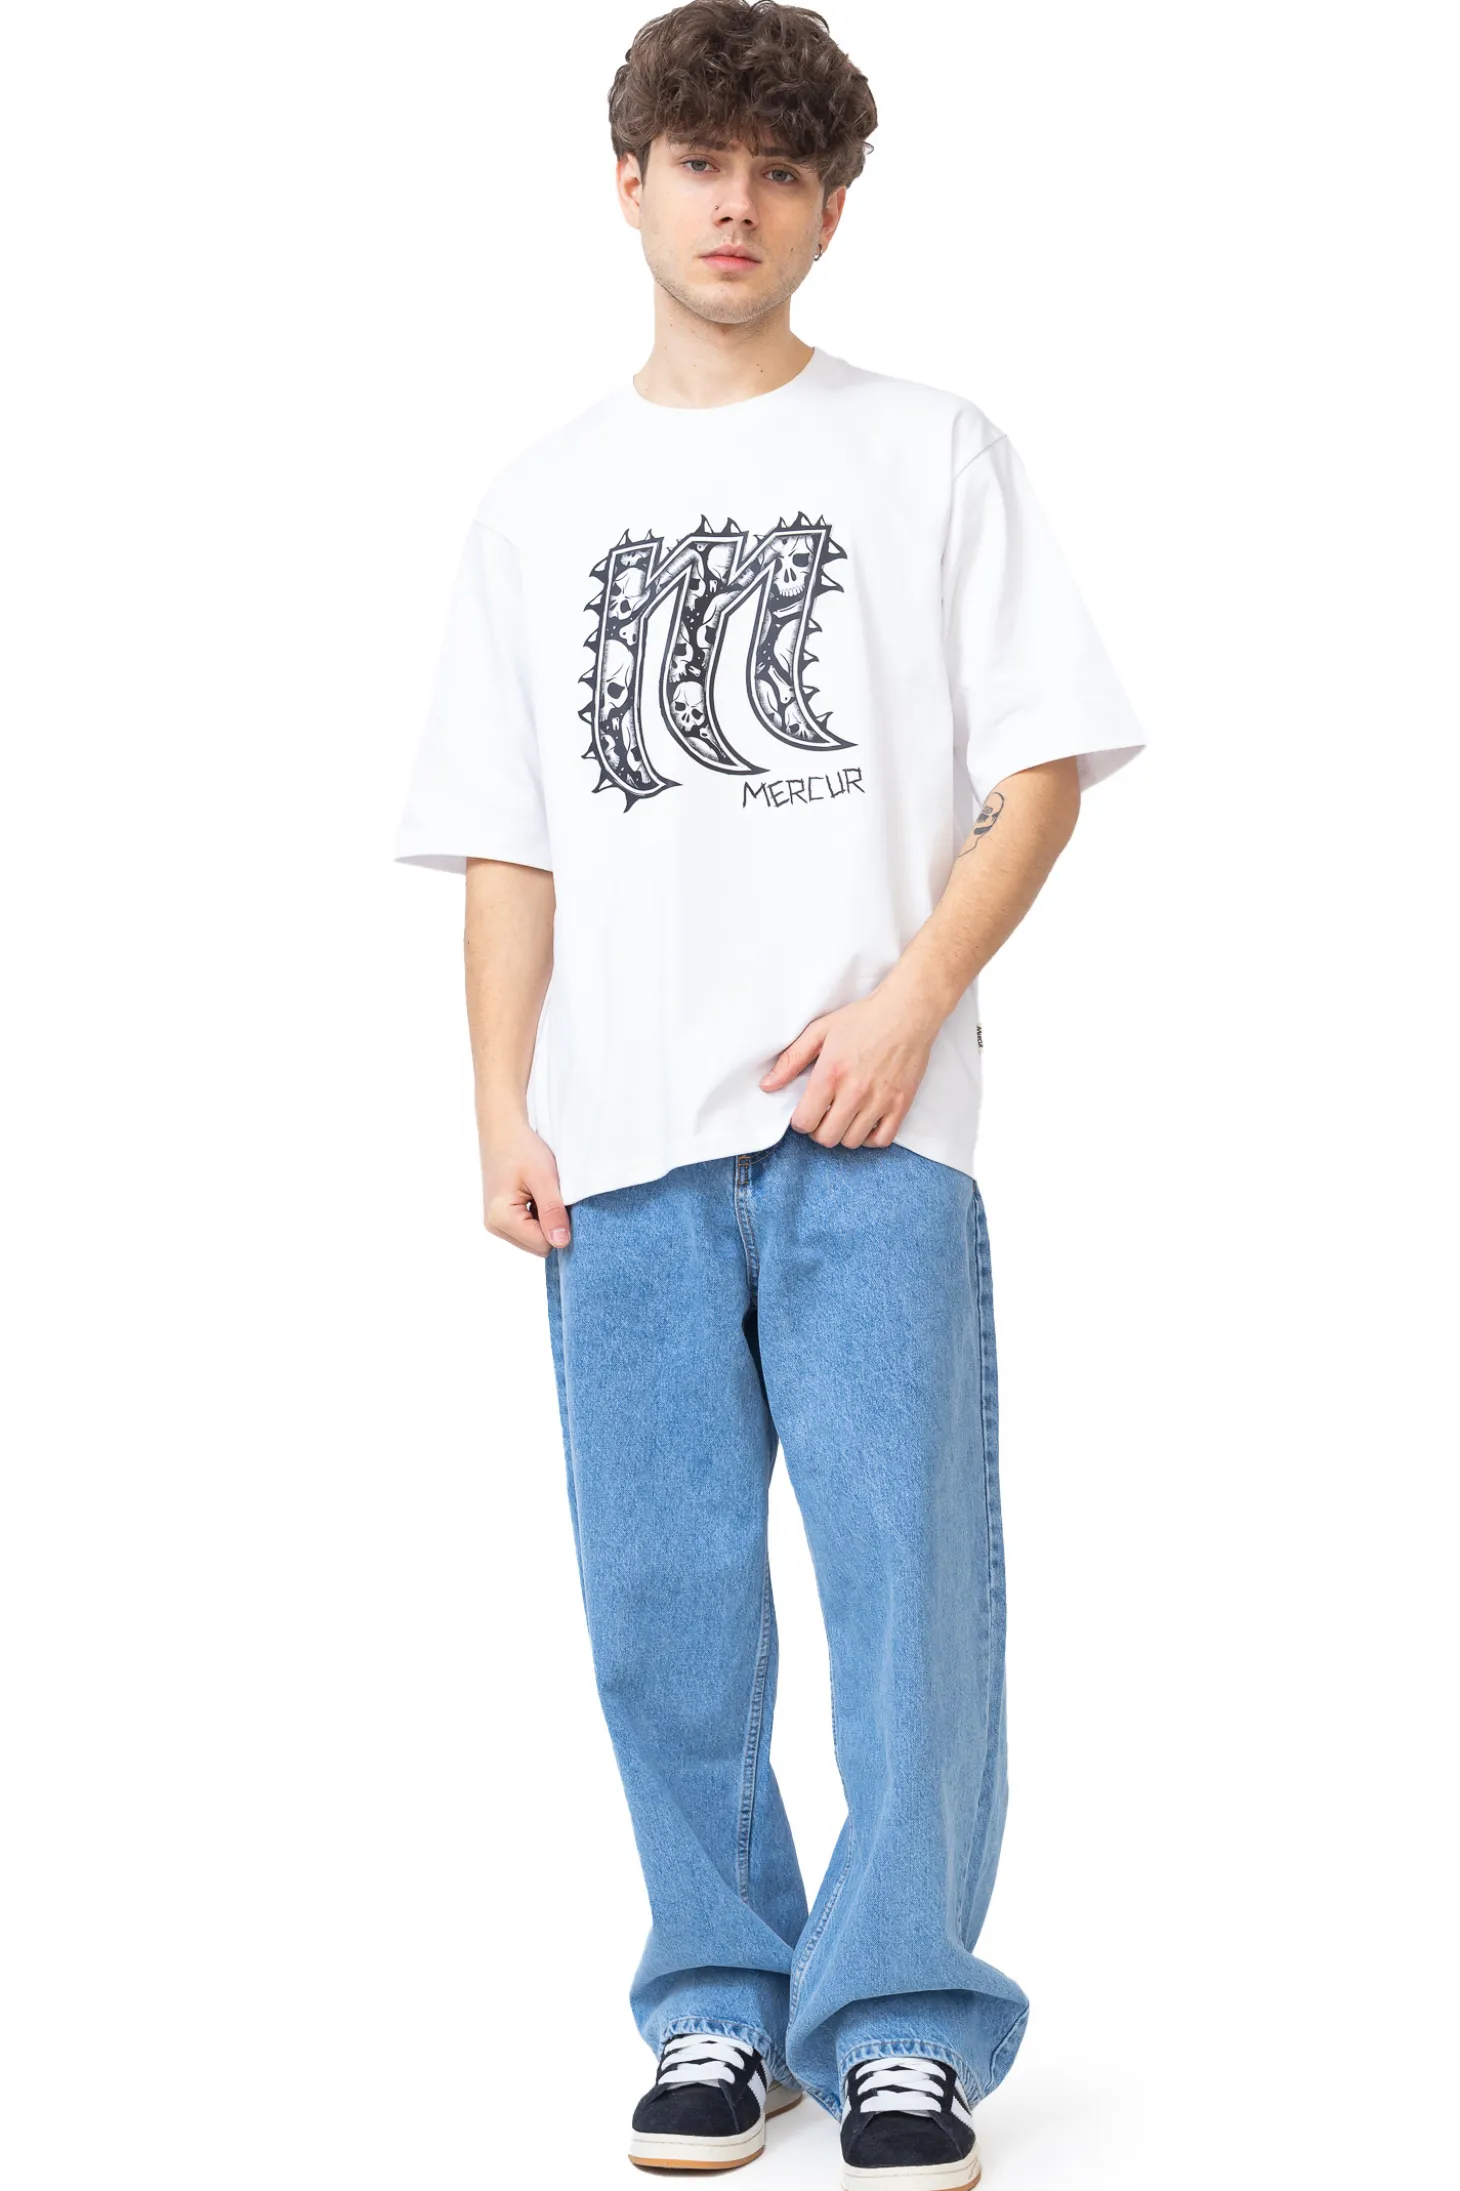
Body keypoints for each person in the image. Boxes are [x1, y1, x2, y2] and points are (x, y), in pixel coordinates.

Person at [396, 4, 1146, 2182]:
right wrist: (498, 1104)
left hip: (866, 1129)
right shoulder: (538, 505)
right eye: (702, 160)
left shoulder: (931, 452)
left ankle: (902, 2017)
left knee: (907, 1592)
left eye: (782, 170)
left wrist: (912, 1001)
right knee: (664, 1608)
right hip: (621, 1144)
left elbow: (1039, 768)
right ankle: (721, 2000)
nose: (738, 204)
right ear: (626, 182)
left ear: (829, 208)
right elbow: (510, 840)